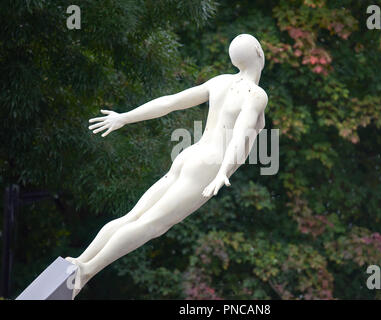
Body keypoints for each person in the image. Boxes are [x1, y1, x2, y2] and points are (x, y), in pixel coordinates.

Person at [66, 34, 268, 297]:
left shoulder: (220, 83)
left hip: (190, 155)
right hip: (208, 165)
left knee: (133, 217)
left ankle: (80, 262)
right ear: (259, 53)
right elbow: (241, 133)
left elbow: (170, 102)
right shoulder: (256, 95)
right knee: (152, 224)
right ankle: (86, 271)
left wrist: (125, 117)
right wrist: (222, 172)